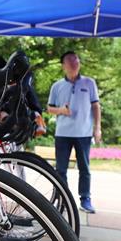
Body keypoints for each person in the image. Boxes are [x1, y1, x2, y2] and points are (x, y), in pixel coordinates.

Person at [46, 51, 101, 213]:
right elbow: (49, 108)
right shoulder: (57, 86)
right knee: (61, 169)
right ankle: (62, 199)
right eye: (70, 60)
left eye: (76, 59)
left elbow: (96, 106)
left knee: (84, 168)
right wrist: (61, 110)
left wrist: (97, 128)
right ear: (63, 65)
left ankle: (85, 200)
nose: (74, 62)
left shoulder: (89, 83)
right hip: (62, 134)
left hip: (84, 133)